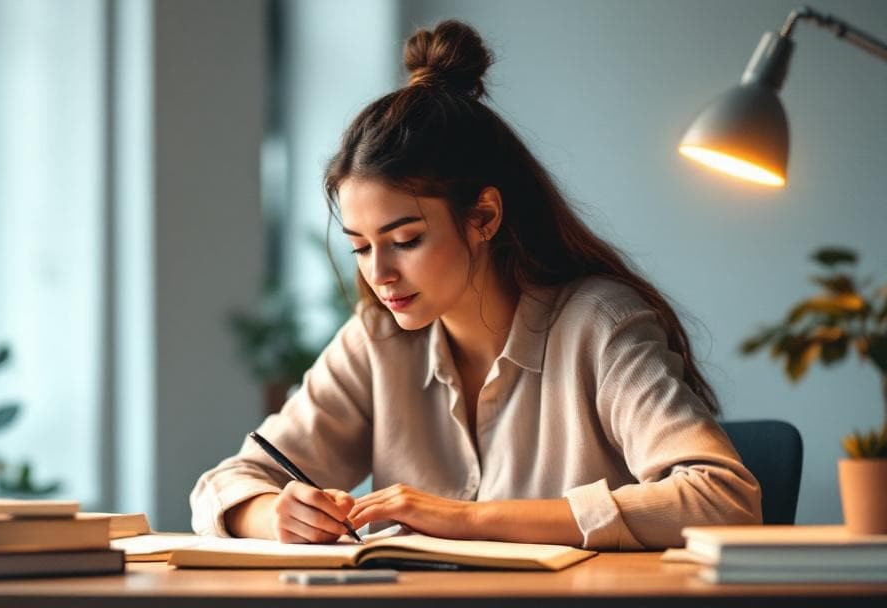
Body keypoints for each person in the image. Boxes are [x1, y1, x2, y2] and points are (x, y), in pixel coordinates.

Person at [190, 20, 761, 550]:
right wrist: (273, 514)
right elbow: (228, 483)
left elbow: (723, 498)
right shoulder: (377, 341)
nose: (380, 274)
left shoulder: (599, 326)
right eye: (360, 248)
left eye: (406, 239)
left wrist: (463, 519)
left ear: (484, 216)